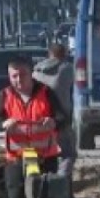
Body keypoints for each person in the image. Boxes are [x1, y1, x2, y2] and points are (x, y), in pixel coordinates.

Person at [0, 54, 68, 198]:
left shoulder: (46, 93)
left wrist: (54, 121)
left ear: (31, 73)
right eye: (14, 76)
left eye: (23, 74)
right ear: (9, 77)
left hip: (46, 157)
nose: (18, 80)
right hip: (15, 158)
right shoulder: (4, 95)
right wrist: (3, 123)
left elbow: (63, 117)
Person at [33, 43, 76, 181]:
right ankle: (61, 182)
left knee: (35, 152)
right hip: (60, 118)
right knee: (67, 153)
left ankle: (33, 180)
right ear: (64, 54)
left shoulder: (35, 71)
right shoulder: (66, 69)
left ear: (49, 54)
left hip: (38, 118)